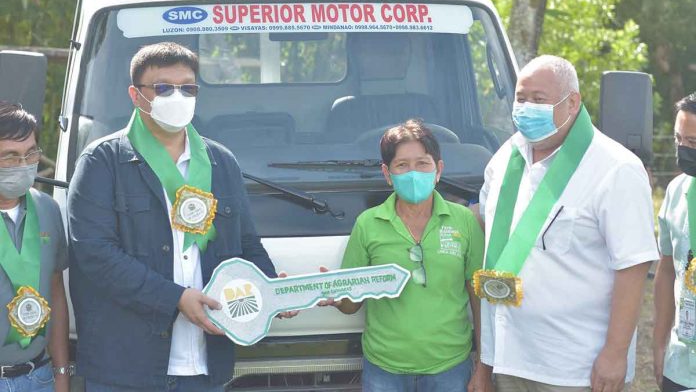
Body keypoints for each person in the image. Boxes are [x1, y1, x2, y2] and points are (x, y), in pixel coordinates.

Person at [68, 42, 293, 391]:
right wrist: (176, 298)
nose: (178, 96)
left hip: (206, 365)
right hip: (126, 368)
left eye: (187, 88)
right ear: (135, 94)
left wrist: (274, 292)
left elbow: (246, 244)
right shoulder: (102, 161)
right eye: (163, 88)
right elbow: (95, 255)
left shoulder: (221, 163)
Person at [469, 55, 658, 392]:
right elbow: (485, 222)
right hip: (508, 360)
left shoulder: (616, 168)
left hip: (574, 369)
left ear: (572, 103)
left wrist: (615, 355)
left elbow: (633, 266)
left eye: (539, 100)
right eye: (521, 98)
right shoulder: (506, 157)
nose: (526, 108)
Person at [327, 119, 484, 391]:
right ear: (387, 174)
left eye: (423, 163)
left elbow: (479, 298)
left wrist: (483, 365)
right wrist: (332, 295)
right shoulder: (368, 224)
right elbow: (352, 304)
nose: (413, 173)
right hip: (384, 371)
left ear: (438, 170)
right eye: (402, 165)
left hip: (451, 369)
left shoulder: (464, 221)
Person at [0, 101, 70, 391]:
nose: (24, 164)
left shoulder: (48, 210)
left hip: (38, 377)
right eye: (10, 157)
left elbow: (56, 292)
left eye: (31, 153)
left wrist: (62, 372)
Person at [654, 93, 696, 392]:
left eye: (693, 143)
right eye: (679, 140)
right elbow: (667, 270)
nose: (684, 150)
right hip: (681, 365)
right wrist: (658, 344)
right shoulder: (675, 191)